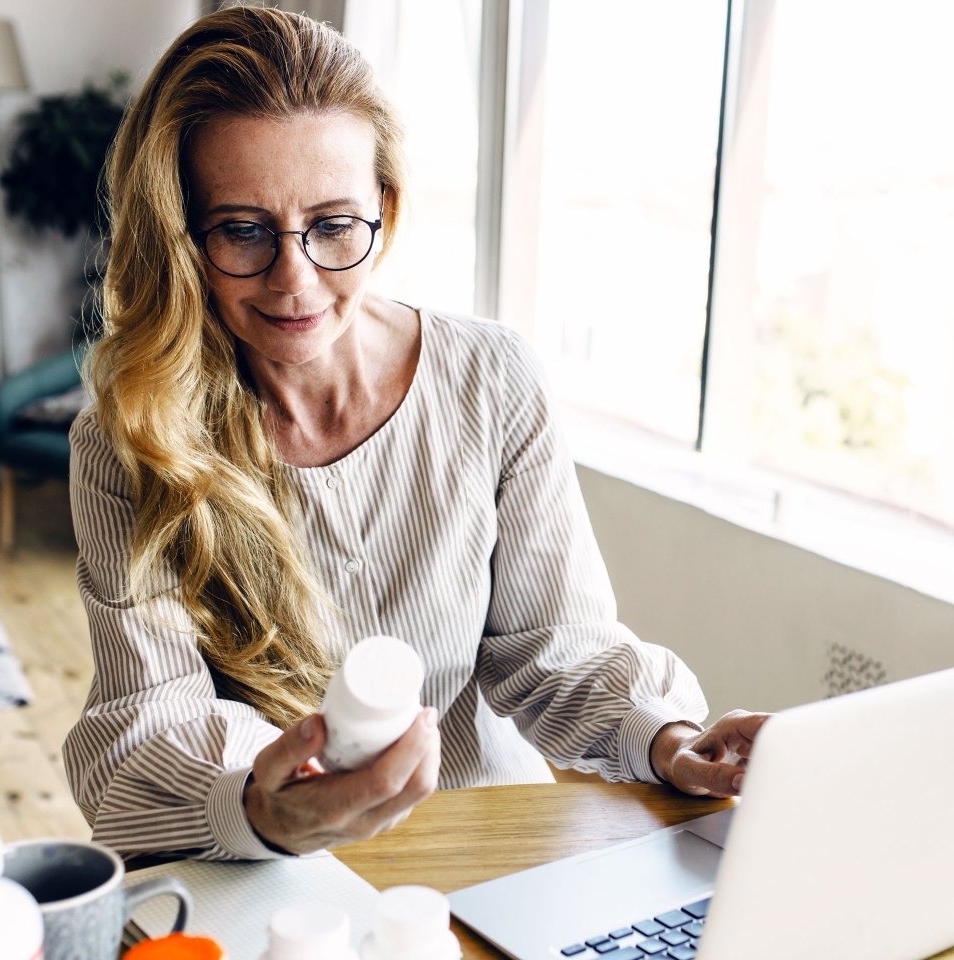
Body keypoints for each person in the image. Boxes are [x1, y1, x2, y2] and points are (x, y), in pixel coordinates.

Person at [64, 6, 767, 862]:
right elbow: (151, 722)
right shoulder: (132, 441)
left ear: (383, 210)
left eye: (332, 226)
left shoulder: (492, 379)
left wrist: (668, 738)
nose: (295, 280)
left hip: (483, 842)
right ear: (182, 234)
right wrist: (264, 809)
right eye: (242, 231)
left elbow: (555, 650)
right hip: (265, 864)